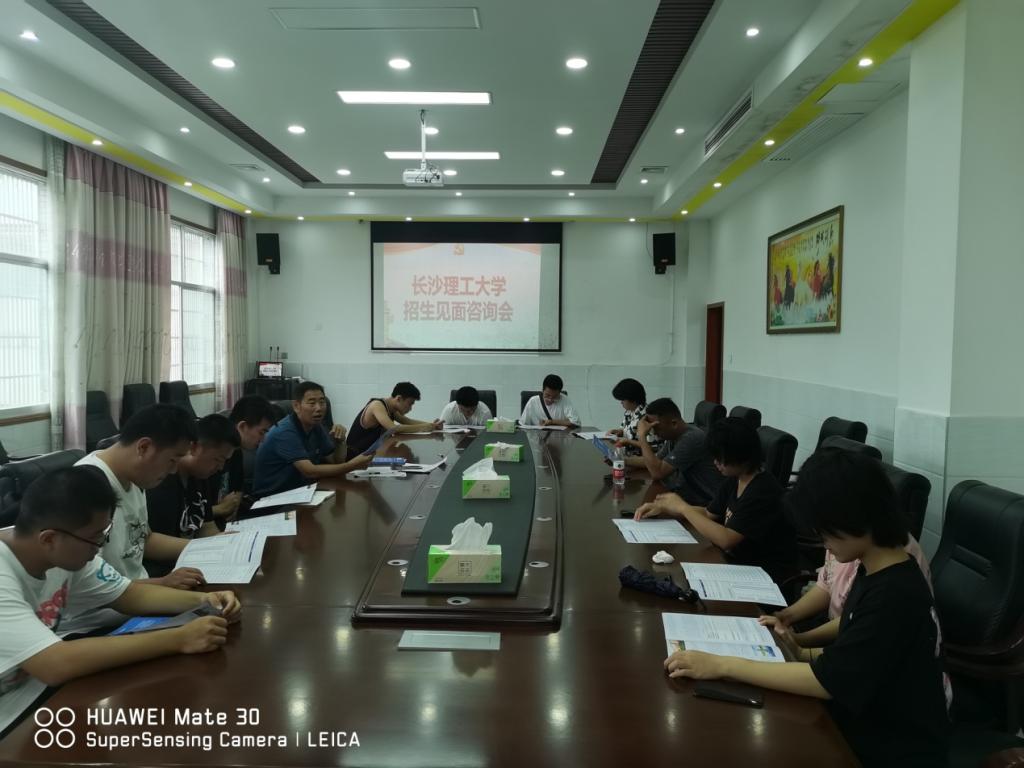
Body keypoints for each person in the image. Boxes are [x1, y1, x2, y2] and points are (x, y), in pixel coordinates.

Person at [664, 449, 949, 768]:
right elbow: (860, 637)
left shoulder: (894, 593)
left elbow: (827, 682)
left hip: (886, 748)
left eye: (824, 530)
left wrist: (721, 665)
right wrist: (800, 650)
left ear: (855, 517)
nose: (822, 541)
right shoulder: (880, 567)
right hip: (863, 721)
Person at [0, 467, 241, 736]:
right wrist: (180, 638)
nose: (100, 547)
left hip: (33, 694)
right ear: (49, 539)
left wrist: (203, 599)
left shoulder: (64, 552)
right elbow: (55, 664)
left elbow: (128, 595)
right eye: (95, 538)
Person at [635, 417, 797, 584]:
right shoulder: (736, 479)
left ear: (740, 455)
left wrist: (683, 508)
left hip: (762, 576)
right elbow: (709, 513)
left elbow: (726, 540)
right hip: (733, 562)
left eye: (720, 458)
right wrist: (667, 508)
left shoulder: (762, 491)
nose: (715, 462)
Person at [75, 404, 206, 589]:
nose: (173, 470)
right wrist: (163, 583)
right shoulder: (86, 487)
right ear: (144, 447)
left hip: (142, 590)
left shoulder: (135, 477)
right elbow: (86, 583)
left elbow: (145, 539)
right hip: (113, 603)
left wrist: (208, 547)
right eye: (172, 460)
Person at [253, 381, 371, 496]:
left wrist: (340, 441)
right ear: (296, 406)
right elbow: (309, 471)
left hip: (301, 492)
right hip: (273, 498)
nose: (319, 408)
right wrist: (353, 465)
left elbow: (336, 461)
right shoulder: (285, 431)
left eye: (322, 402)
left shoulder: (316, 426)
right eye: (312, 403)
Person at [146, 414, 240, 550]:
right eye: (218, 459)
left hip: (192, 551)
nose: (220, 467)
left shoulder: (199, 476)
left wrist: (223, 542)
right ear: (194, 448)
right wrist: (209, 545)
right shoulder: (161, 482)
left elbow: (206, 527)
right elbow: (156, 544)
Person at [625, 398, 722, 505]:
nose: (654, 433)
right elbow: (655, 460)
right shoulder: (674, 436)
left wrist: (642, 436)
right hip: (684, 495)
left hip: (704, 504)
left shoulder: (692, 438)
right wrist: (623, 461)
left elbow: (657, 472)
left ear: (674, 423)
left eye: (656, 428)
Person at [345, 382, 442, 458]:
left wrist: (433, 425)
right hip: (353, 456)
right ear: (399, 398)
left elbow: (407, 421)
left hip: (367, 456)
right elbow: (394, 429)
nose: (410, 408)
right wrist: (424, 427)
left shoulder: (392, 409)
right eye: (410, 404)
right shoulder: (377, 405)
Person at [214, 395, 278, 510]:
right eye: (261, 432)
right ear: (242, 426)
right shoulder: (213, 453)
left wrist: (233, 507)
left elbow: (237, 490)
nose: (263, 440)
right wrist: (220, 510)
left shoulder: (237, 452)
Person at [607, 378, 661, 456]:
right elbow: (627, 431)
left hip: (643, 459)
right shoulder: (629, 412)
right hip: (627, 456)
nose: (621, 402)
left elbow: (653, 447)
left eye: (623, 399)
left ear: (632, 398)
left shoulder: (647, 416)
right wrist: (619, 432)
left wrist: (628, 442)